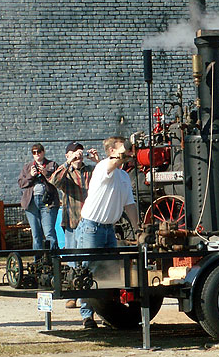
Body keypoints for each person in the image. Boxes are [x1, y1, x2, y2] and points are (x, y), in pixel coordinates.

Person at [76, 136, 141, 328]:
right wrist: (125, 150)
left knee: (109, 273)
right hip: (92, 227)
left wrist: (138, 229)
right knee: (88, 270)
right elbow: (113, 164)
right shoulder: (103, 166)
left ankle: (106, 313)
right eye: (122, 147)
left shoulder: (123, 177)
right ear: (112, 151)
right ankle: (87, 316)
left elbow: (130, 205)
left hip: (109, 229)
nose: (127, 151)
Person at [50, 141, 98, 308]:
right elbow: (54, 181)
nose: (78, 156)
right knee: (72, 259)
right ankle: (71, 295)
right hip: (72, 220)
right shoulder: (66, 172)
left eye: (80, 152)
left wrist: (97, 160)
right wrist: (68, 163)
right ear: (67, 155)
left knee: (88, 260)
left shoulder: (90, 171)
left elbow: (109, 176)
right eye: (74, 153)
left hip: (90, 222)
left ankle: (87, 299)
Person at [17, 143, 60, 253]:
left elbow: (59, 181)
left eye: (39, 152)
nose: (37, 154)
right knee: (36, 234)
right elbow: (22, 184)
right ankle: (38, 262)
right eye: (34, 152)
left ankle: (53, 260)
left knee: (49, 231)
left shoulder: (52, 165)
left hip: (48, 202)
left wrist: (46, 173)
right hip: (31, 203)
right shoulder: (27, 167)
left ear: (43, 152)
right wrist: (31, 175)